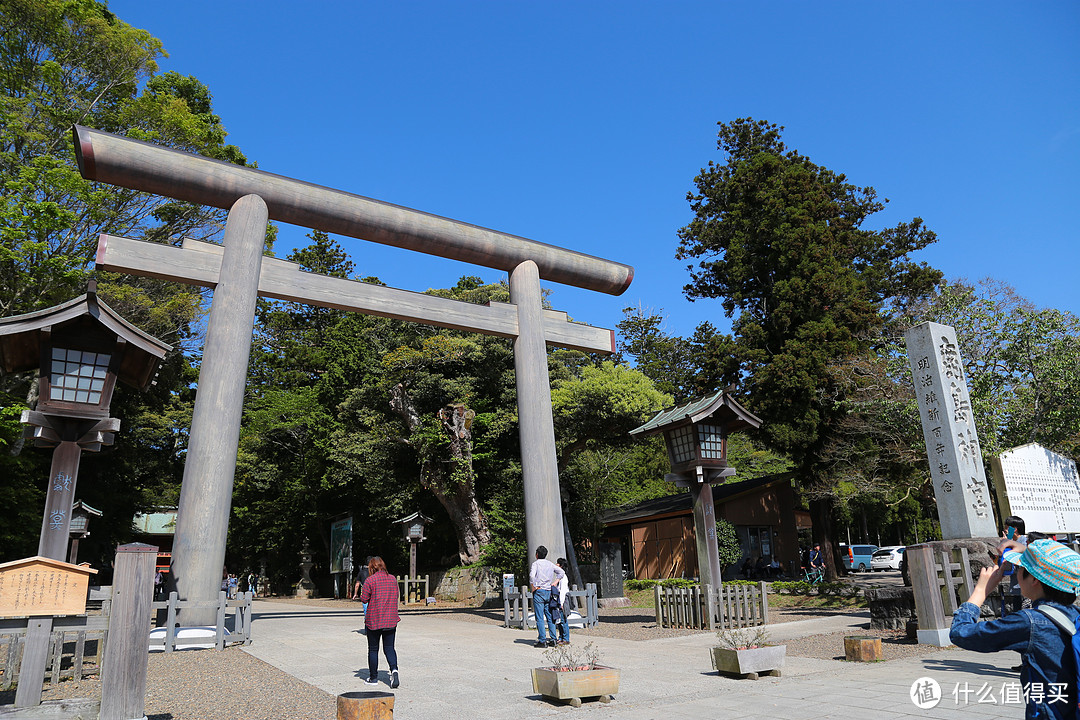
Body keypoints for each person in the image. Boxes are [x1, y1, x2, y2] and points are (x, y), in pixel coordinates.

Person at [950, 538, 1080, 720]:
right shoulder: (1075, 615)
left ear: (1034, 579)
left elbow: (960, 633)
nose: (1016, 573)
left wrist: (980, 591)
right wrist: (1028, 551)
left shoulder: (1029, 623)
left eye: (1020, 568)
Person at [359, 556, 400, 688]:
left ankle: (373, 678)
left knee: (373, 649)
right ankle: (394, 670)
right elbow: (396, 596)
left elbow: (364, 599)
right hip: (390, 620)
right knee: (389, 648)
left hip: (374, 620)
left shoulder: (370, 580)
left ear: (372, 568)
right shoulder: (393, 579)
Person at [529, 545, 565, 648]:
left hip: (539, 591)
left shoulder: (535, 564)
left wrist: (534, 585)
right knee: (549, 615)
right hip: (549, 591)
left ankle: (542, 640)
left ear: (536, 554)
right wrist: (555, 581)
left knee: (540, 617)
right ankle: (553, 639)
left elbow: (532, 575)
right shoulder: (550, 564)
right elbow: (561, 572)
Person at [1000, 516, 1028, 617]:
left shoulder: (1024, 542)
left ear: (1014, 529)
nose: (1005, 530)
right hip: (1015, 584)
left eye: (1007, 528)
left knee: (1024, 612)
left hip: (1025, 585)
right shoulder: (1011, 542)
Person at [554, 558, 571, 645]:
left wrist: (561, 602)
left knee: (563, 620)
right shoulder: (560, 576)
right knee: (559, 620)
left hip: (562, 600)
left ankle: (565, 638)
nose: (556, 564)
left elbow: (563, 591)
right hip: (559, 599)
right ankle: (561, 637)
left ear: (561, 566)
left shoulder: (563, 577)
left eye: (557, 563)